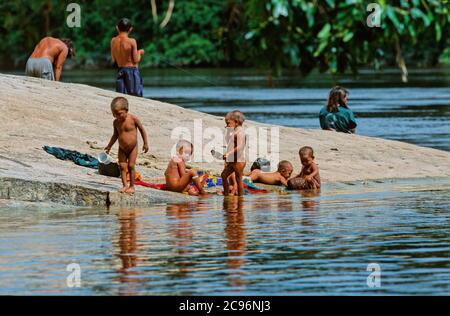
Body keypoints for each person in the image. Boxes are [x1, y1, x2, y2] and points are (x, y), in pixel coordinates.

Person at [104, 97, 149, 194]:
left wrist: (145, 143)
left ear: (126, 110)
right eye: (114, 114)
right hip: (122, 148)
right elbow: (115, 135)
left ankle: (132, 186)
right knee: (122, 166)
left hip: (133, 147)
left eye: (119, 114)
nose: (117, 116)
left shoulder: (133, 119)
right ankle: (125, 185)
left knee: (131, 166)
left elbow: (142, 129)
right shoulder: (116, 122)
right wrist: (109, 146)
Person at [111, 18, 145, 97]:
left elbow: (113, 59)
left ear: (117, 28)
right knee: (136, 97)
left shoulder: (113, 41)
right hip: (132, 72)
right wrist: (139, 52)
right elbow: (136, 60)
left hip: (120, 71)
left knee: (122, 96)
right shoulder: (132, 41)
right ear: (130, 29)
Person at [221, 110, 246, 196]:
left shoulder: (240, 132)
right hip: (233, 160)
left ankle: (240, 197)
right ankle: (226, 194)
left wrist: (229, 153)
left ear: (236, 122)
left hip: (239, 161)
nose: (226, 126)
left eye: (228, 123)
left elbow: (240, 146)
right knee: (224, 175)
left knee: (238, 179)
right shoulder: (234, 131)